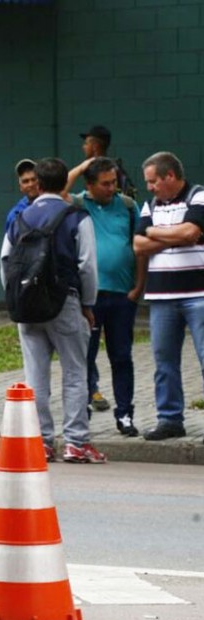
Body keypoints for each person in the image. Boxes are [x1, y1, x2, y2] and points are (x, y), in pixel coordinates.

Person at [1, 157, 104, 464]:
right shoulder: (76, 216)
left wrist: (17, 297)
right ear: (63, 185)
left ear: (40, 184)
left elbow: (7, 261)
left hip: (27, 305)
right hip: (64, 302)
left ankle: (41, 442)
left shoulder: (20, 216)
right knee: (75, 372)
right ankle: (76, 442)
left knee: (35, 376)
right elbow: (87, 265)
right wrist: (88, 304)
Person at [132, 151, 204, 442]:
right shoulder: (150, 205)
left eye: (152, 181)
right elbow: (138, 245)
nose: (149, 187)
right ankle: (170, 419)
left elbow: (190, 232)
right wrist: (164, 234)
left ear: (170, 176)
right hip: (161, 297)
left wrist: (154, 233)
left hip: (198, 294)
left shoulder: (198, 197)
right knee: (164, 361)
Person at [74, 157, 145, 435]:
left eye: (114, 182)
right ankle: (83, 409)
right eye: (105, 184)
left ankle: (125, 413)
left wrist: (139, 287)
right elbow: (56, 192)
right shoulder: (79, 204)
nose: (111, 188)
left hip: (121, 295)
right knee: (84, 356)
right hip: (89, 297)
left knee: (122, 356)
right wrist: (82, 166)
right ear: (89, 185)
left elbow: (139, 247)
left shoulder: (127, 206)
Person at [68, 125, 137, 199]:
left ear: (94, 146)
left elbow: (131, 194)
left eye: (86, 144)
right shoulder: (113, 167)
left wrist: (80, 168)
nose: (83, 147)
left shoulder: (113, 169)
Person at [5, 158, 40, 235]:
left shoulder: (52, 202)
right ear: (21, 187)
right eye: (26, 181)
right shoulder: (15, 214)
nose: (30, 184)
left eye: (34, 179)